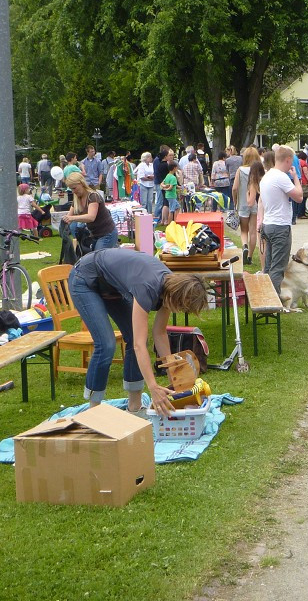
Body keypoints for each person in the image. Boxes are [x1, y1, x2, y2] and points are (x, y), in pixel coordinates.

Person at [69, 249, 208, 416]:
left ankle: (135, 406)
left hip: (111, 286)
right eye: (182, 307)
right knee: (106, 344)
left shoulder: (171, 286)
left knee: (134, 335)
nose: (180, 310)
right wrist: (153, 387)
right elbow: (139, 346)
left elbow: (159, 333)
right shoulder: (148, 286)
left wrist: (173, 372)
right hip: (85, 278)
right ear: (177, 296)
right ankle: (94, 411)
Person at [259, 145, 303, 299]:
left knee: (269, 266)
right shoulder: (281, 177)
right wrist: (296, 178)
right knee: (278, 267)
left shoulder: (267, 175)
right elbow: (299, 197)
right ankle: (274, 300)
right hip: (280, 226)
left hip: (269, 224)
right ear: (288, 160)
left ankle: (266, 295)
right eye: (292, 161)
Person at [64, 171, 119, 250]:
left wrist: (72, 218)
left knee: (98, 258)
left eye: (74, 188)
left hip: (107, 234)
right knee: (92, 257)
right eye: (71, 189)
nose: (73, 191)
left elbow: (91, 217)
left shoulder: (93, 196)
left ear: (81, 183)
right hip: (95, 235)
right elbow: (69, 217)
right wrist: (64, 222)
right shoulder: (76, 198)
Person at [233, 147, 261, 264]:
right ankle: (249, 256)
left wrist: (235, 202)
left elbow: (235, 188)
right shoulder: (259, 170)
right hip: (254, 203)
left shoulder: (240, 170)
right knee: (253, 231)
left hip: (243, 204)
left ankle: (244, 246)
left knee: (244, 230)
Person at [160, 160, 181, 226]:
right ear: (174, 168)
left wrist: (181, 187)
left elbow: (163, 183)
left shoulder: (168, 176)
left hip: (168, 195)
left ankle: (175, 221)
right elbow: (171, 187)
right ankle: (170, 224)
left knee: (177, 207)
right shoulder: (173, 177)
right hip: (172, 196)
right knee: (171, 210)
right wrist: (166, 188)